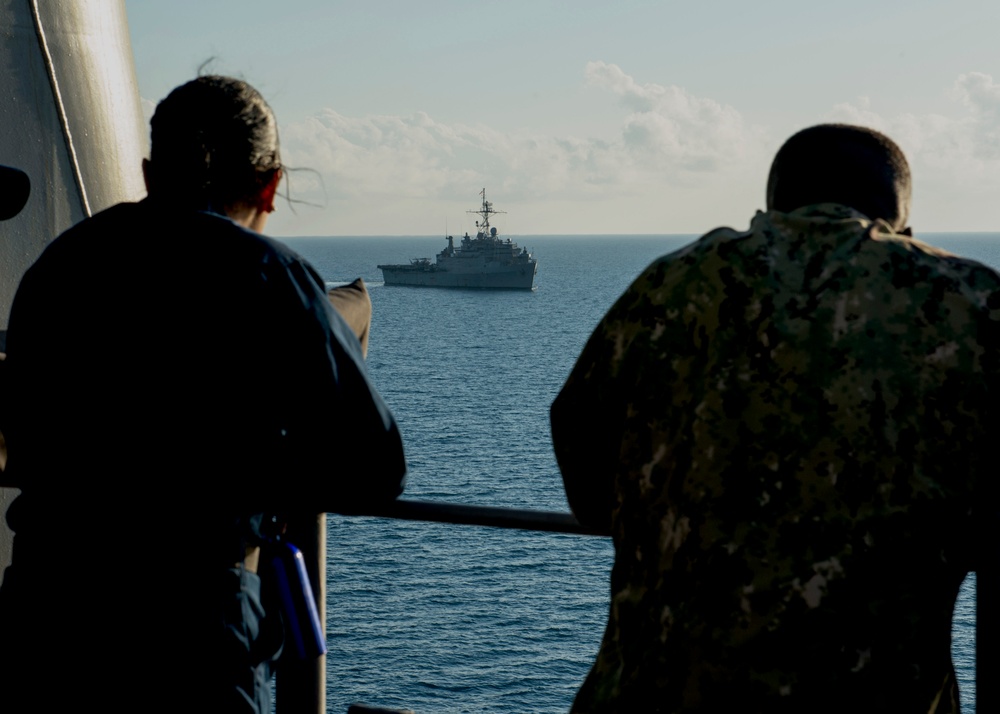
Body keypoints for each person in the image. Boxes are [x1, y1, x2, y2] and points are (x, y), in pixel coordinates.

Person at [551, 124, 999, 713]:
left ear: (769, 211)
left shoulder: (671, 282)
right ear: (905, 229)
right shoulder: (967, 301)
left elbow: (580, 447)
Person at [0, 76, 406, 713]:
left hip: (44, 616)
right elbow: (375, 471)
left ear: (148, 172)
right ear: (271, 186)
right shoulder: (272, 275)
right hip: (193, 636)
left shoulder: (57, 266)